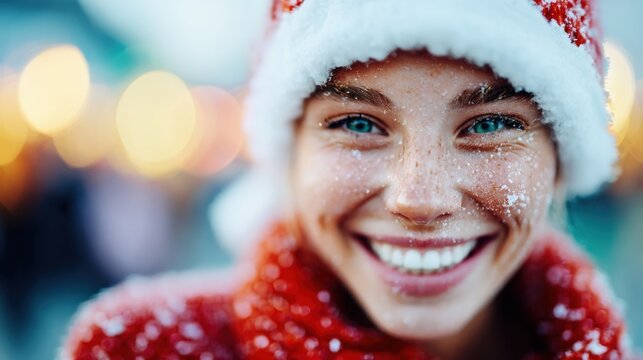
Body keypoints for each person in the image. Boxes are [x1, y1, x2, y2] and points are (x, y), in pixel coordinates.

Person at [61, 0, 637, 359]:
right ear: (292, 154)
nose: (420, 198)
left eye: (489, 125)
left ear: (560, 160)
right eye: (359, 123)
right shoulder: (136, 349)